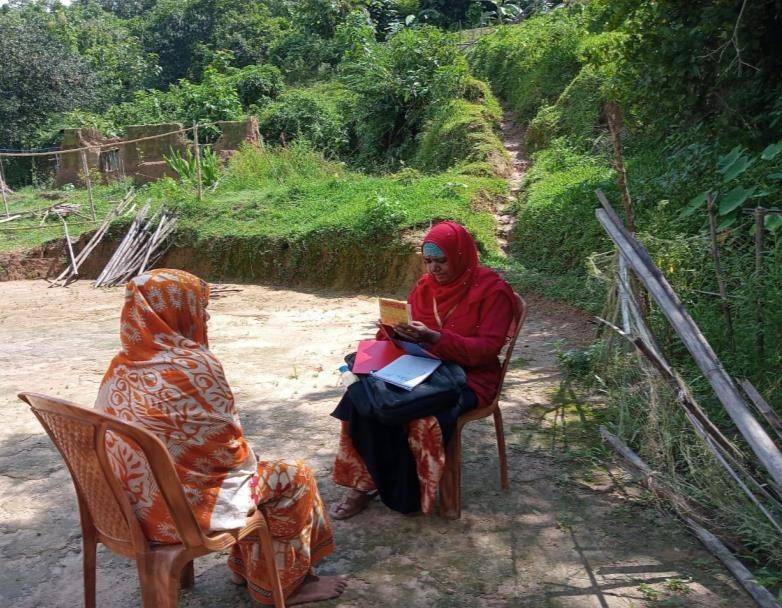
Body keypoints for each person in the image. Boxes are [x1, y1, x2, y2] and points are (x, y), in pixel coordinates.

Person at [95, 268, 346, 605]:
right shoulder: (193, 366)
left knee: (253, 473)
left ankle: (249, 568)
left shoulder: (122, 364)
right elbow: (231, 456)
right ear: (176, 311)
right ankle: (285, 586)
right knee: (295, 475)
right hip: (176, 517)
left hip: (125, 509)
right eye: (199, 306)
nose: (206, 315)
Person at [331, 221, 517, 519]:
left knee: (419, 415)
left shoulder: (492, 290)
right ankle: (365, 483)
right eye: (428, 261)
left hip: (470, 377)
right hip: (422, 365)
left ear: (461, 255)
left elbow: (486, 350)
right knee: (362, 400)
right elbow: (409, 328)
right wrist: (397, 333)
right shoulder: (425, 286)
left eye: (442, 261)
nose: (434, 269)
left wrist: (436, 339)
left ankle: (413, 491)